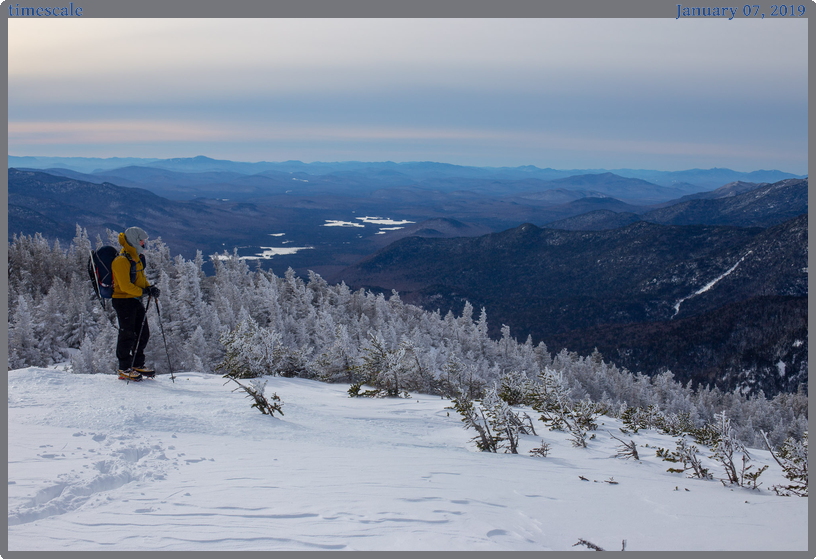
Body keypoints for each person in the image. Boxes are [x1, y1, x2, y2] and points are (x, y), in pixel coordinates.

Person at [112, 226, 160, 381]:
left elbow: (140, 278)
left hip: (134, 299)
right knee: (127, 334)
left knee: (142, 333)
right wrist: (143, 292)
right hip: (123, 301)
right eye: (141, 240)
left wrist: (149, 288)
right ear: (134, 240)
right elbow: (124, 285)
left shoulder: (136, 258)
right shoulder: (121, 260)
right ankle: (124, 367)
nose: (143, 243)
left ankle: (137, 363)